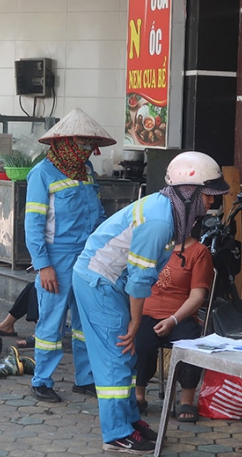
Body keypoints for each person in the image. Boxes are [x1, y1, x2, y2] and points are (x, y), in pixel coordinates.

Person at [72, 151, 230, 454]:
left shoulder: (166, 209)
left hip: (108, 281)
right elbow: (140, 279)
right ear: (190, 193)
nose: (212, 203)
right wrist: (135, 323)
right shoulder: (159, 220)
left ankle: (129, 421)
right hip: (100, 282)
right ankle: (117, 434)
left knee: (125, 358)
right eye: (209, 195)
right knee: (117, 357)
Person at [24, 108, 115, 403]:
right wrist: (43, 266)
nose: (89, 150)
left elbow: (98, 214)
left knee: (85, 321)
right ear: (65, 143)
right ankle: (42, 381)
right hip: (57, 258)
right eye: (83, 144)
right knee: (51, 322)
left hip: (88, 257)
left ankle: (85, 379)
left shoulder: (86, 172)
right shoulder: (41, 173)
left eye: (91, 144)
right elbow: (33, 225)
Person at [134, 219, 213, 423]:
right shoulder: (154, 247)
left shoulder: (199, 252)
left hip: (180, 315)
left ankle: (186, 400)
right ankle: (138, 396)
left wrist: (173, 320)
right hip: (147, 313)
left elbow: (197, 296)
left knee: (192, 346)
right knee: (139, 341)